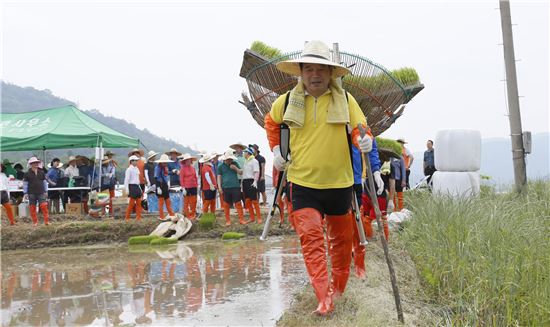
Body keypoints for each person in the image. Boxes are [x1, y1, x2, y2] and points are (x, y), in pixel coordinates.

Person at [263, 40, 373, 316]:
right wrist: (277, 149)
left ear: (330, 74)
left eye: (321, 69)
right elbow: (271, 122)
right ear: (300, 72)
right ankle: (323, 298)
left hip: (339, 183)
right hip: (302, 183)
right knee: (311, 241)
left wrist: (365, 140)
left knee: (340, 243)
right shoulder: (287, 101)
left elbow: (360, 129)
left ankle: (338, 289)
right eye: (308, 69)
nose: (314, 74)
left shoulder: (345, 100)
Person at [217, 149, 247, 226]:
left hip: (235, 186)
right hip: (225, 187)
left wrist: (235, 168)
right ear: (225, 159)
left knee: (238, 203)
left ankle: (241, 220)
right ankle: (228, 221)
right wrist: (219, 187)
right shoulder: (220, 166)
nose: (230, 160)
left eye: (231, 159)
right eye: (228, 159)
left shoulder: (235, 163)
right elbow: (219, 177)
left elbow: (241, 172)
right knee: (226, 204)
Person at [23, 157, 50, 226]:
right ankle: (35, 222)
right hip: (31, 193)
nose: (36, 164)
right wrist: (25, 193)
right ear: (31, 164)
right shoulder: (27, 173)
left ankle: (46, 221)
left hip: (41, 192)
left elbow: (44, 182)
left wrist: (46, 191)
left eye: (37, 163)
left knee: (44, 206)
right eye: (35, 163)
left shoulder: (42, 172)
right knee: (32, 208)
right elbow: (25, 184)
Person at [242, 147, 261, 223]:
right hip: (245, 181)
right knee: (247, 201)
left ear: (248, 153)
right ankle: (252, 217)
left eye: (245, 152)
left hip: (251, 181)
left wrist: (255, 181)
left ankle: (259, 218)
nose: (244, 154)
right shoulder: (246, 161)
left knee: (254, 201)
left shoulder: (254, 161)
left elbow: (256, 171)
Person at [154, 154, 175, 220]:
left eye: (166, 162)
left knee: (168, 200)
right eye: (164, 162)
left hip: (165, 184)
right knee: (161, 202)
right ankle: (161, 216)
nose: (165, 163)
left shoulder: (164, 167)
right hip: (160, 185)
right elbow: (156, 177)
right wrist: (158, 187)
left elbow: (167, 173)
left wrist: (172, 172)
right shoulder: (157, 168)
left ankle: (171, 214)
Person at [179, 153, 198, 220]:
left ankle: (193, 214)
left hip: (194, 187)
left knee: (194, 201)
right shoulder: (182, 169)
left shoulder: (193, 168)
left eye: (189, 160)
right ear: (184, 161)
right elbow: (181, 179)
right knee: (186, 202)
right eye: (187, 160)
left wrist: (196, 185)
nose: (188, 161)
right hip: (186, 187)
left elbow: (195, 177)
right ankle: (187, 215)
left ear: (191, 160)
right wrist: (183, 188)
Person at [124, 155, 142, 221]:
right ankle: (127, 217)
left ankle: (138, 217)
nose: (136, 162)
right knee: (131, 203)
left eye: (137, 160)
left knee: (139, 203)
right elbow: (126, 179)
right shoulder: (129, 169)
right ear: (131, 161)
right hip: (131, 186)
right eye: (135, 160)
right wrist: (127, 189)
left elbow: (137, 179)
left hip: (137, 186)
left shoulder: (136, 169)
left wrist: (139, 187)